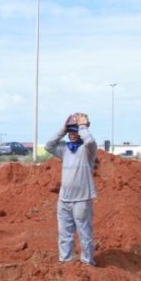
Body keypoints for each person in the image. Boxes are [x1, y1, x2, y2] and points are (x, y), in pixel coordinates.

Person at [44, 112, 98, 266]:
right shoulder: (65, 150)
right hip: (64, 200)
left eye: (75, 131)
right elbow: (48, 145)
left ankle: (87, 263)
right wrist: (63, 129)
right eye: (71, 131)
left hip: (81, 199)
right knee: (64, 234)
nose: (73, 134)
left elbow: (90, 141)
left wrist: (82, 126)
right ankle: (66, 262)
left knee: (84, 234)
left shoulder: (87, 151)